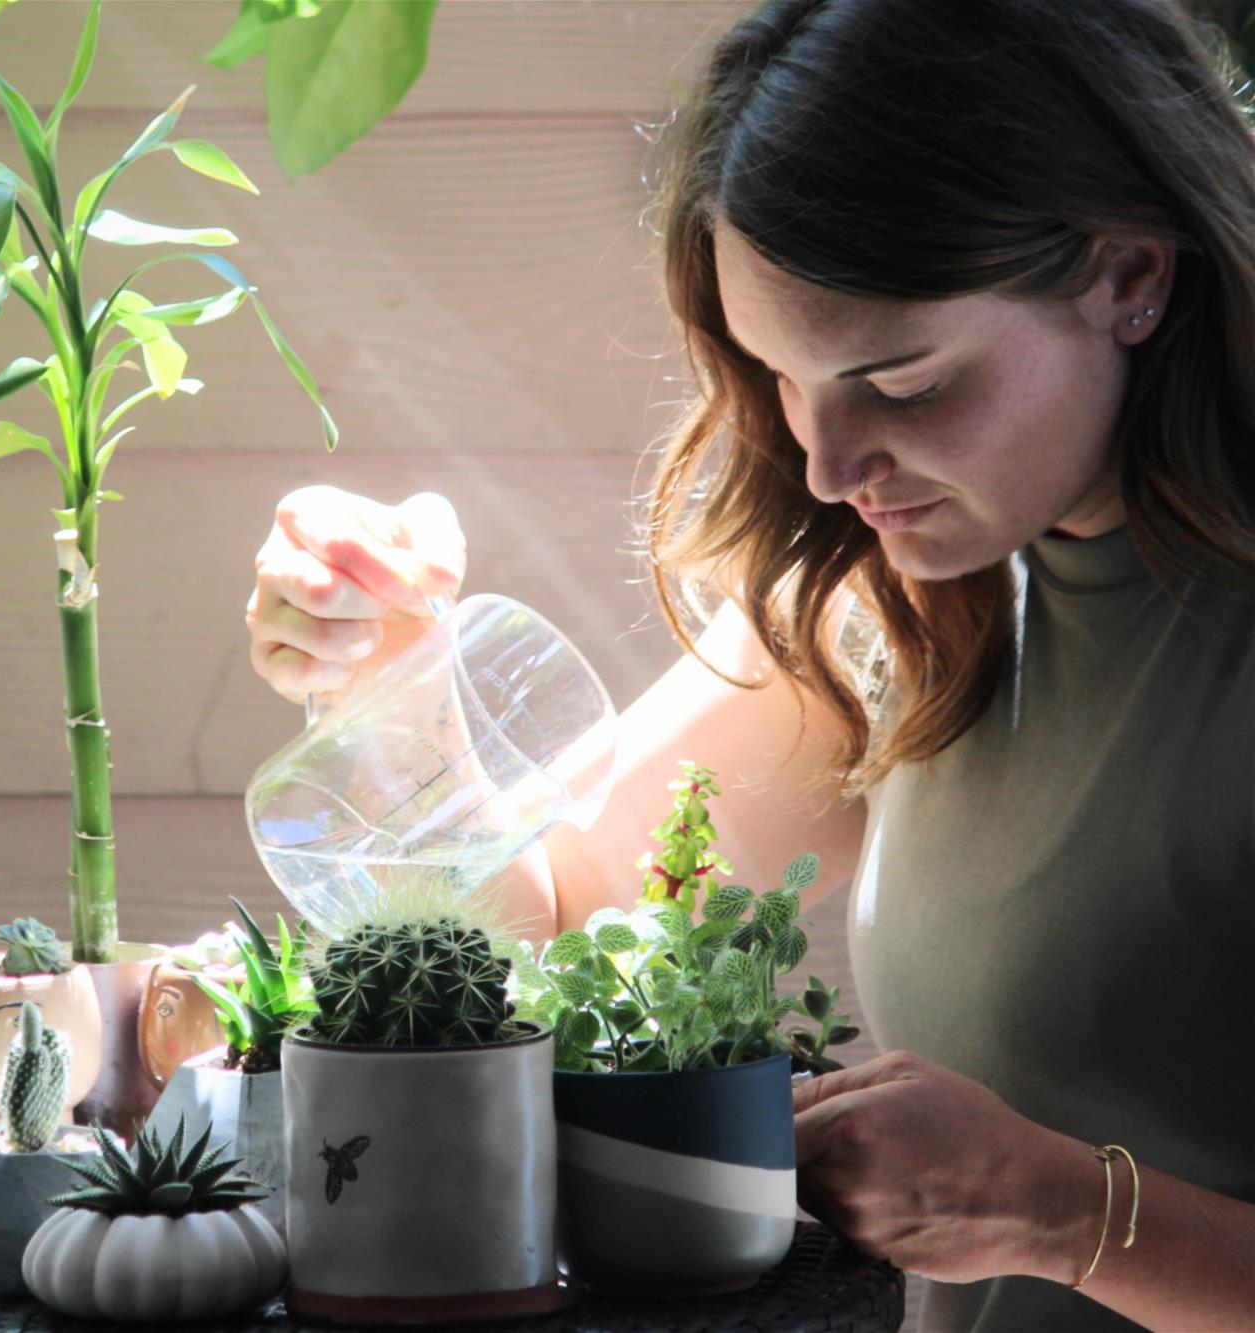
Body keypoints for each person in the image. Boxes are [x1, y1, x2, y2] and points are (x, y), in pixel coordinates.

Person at [242, 1, 1255, 1329]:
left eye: (900, 382)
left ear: (1132, 276)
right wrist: (394, 691)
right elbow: (558, 925)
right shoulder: (906, 611)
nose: (831, 469)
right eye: (780, 375)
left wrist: (1061, 1209)